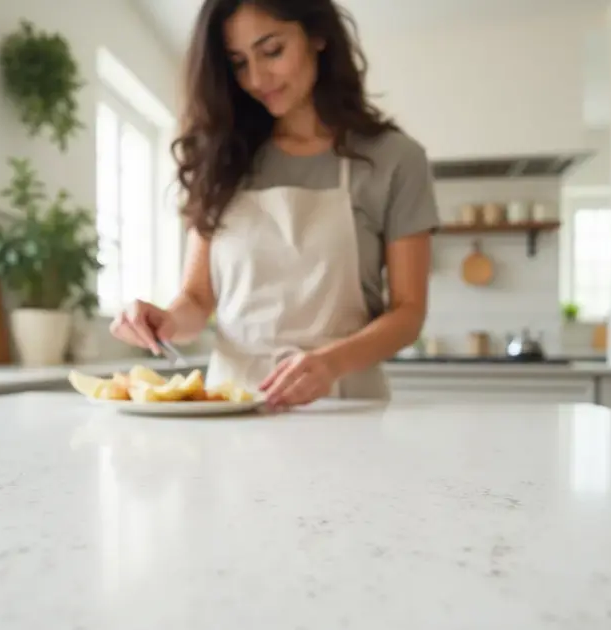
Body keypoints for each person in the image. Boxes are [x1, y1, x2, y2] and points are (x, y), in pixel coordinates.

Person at [110, 0, 440, 409]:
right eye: (238, 62)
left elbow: (408, 313)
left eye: (272, 51)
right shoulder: (222, 157)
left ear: (317, 36)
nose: (256, 78)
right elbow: (197, 299)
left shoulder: (394, 159)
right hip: (231, 405)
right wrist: (166, 321)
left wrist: (330, 363)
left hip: (345, 406)